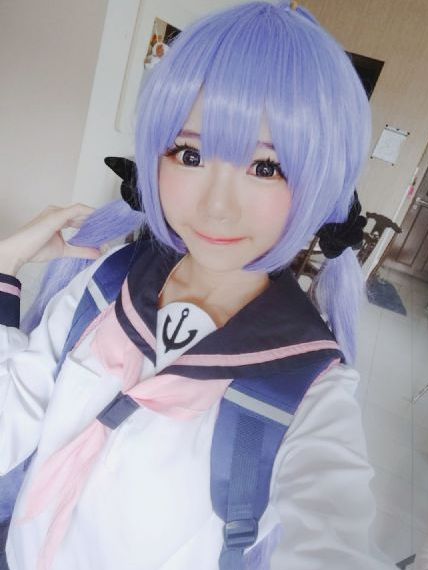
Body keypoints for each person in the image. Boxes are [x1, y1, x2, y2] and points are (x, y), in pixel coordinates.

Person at [0, 2, 399, 569]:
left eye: (265, 167)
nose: (216, 206)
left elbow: (332, 538)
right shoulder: (106, 283)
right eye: (190, 154)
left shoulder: (306, 388)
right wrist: (4, 266)